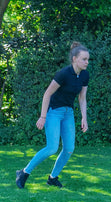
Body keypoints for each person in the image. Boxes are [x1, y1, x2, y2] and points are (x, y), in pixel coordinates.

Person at [16, 42, 90, 189]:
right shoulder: (63, 74)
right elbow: (47, 94)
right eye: (84, 59)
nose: (87, 62)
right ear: (74, 59)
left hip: (68, 113)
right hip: (54, 112)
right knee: (51, 148)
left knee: (69, 148)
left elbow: (82, 98)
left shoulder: (84, 75)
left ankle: (53, 178)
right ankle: (24, 172)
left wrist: (84, 118)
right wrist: (43, 117)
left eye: (88, 59)